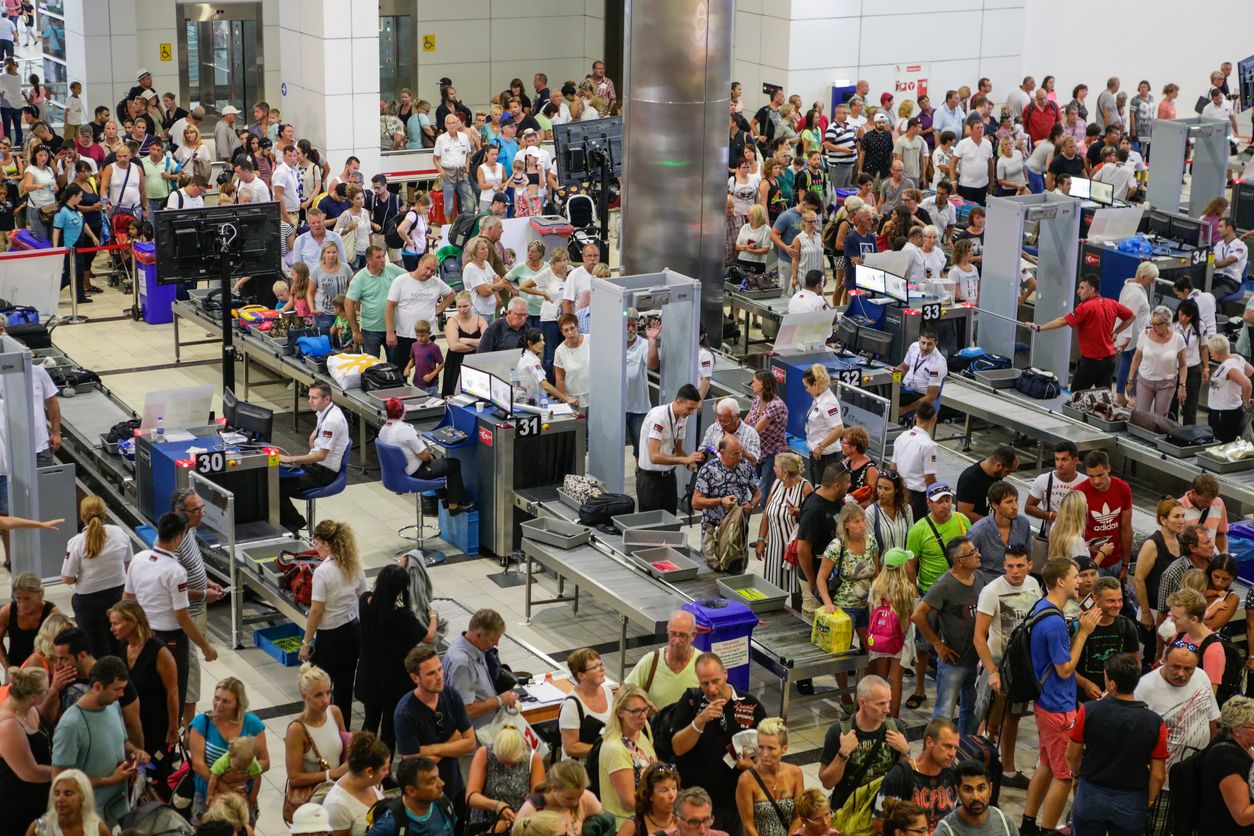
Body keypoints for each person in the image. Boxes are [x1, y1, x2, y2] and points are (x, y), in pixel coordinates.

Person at [1020, 558, 1102, 836]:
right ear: (1060, 581)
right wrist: (1084, 635)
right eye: (1076, 576)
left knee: (1045, 763)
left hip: (1045, 702)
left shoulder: (1042, 607)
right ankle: (1046, 830)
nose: (1080, 581)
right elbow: (1065, 669)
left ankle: (1028, 824)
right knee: (1064, 775)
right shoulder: (1054, 623)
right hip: (1058, 706)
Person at [1065, 653, 1169, 836]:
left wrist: (1076, 775)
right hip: (1131, 799)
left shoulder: (1088, 710)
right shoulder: (1155, 722)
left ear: (1112, 684)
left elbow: (1071, 755)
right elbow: (1158, 775)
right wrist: (1149, 801)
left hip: (1091, 793)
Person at [121, 512, 216, 707]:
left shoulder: (139, 559)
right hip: (170, 640)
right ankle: (172, 731)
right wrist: (205, 646)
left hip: (142, 634)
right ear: (179, 538)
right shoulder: (175, 571)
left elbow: (126, 600)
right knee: (172, 692)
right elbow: (182, 616)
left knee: (145, 691)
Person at [670, 653, 767, 835]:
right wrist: (699, 721)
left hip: (736, 803)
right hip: (696, 806)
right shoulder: (691, 701)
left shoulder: (751, 706)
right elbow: (678, 747)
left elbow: (770, 758)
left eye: (716, 681)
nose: (712, 689)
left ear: (725, 673)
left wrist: (752, 767)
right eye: (705, 683)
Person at [971, 543, 1041, 789]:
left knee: (1014, 717)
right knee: (989, 718)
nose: (1015, 571)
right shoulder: (991, 591)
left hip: (1022, 665)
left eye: (1020, 565)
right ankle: (978, 767)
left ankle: (1008, 770)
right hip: (998, 663)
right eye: (1010, 566)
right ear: (1003, 565)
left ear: (1029, 565)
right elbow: (979, 637)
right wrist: (991, 671)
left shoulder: (1034, 585)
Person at [51, 656, 148, 826]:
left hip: (118, 811)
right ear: (97, 687)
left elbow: (123, 742)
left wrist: (135, 752)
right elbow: (60, 781)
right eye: (117, 689)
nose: (122, 694)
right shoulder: (71, 725)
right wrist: (110, 779)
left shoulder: (113, 706)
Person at [1135, 643, 1220, 836]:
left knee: (1189, 828)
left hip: (1194, 777)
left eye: (1188, 669)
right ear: (1164, 661)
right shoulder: (1144, 689)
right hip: (1161, 782)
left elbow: (1211, 719)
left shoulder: (1201, 676)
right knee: (1156, 830)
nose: (1182, 674)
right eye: (1175, 667)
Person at [912, 537, 986, 735]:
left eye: (976, 549)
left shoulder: (979, 577)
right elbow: (917, 615)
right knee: (944, 714)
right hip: (954, 661)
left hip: (976, 659)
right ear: (960, 560)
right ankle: (936, 755)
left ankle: (965, 751)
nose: (978, 554)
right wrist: (937, 645)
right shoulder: (944, 585)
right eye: (972, 552)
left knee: (972, 710)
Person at [296, 520, 367, 728]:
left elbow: (317, 610)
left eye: (316, 543)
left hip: (330, 637)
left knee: (321, 686)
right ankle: (342, 729)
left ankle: (321, 726)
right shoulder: (354, 564)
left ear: (327, 544)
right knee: (344, 686)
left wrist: (306, 642)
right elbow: (363, 595)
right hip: (353, 631)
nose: (315, 548)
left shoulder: (323, 572)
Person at [356, 564, 430, 754]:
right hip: (394, 682)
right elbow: (428, 637)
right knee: (389, 729)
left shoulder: (365, 603)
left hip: (368, 675)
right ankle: (385, 772)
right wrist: (435, 617)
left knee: (370, 722)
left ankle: (363, 763)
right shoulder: (401, 617)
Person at [819, 675, 908, 816]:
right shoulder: (840, 731)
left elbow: (906, 777)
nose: (887, 709)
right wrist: (842, 754)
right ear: (862, 702)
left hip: (883, 811)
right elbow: (827, 783)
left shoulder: (895, 728)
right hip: (849, 812)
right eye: (880, 704)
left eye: (888, 702)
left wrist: (905, 753)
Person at [106, 601, 178, 771]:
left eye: (116, 623)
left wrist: (173, 727)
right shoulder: (123, 646)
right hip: (131, 721)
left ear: (133, 621)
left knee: (155, 771)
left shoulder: (159, 651)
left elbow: (173, 691)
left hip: (155, 722)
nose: (112, 629)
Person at [1029, 274, 1133, 391]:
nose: (1078, 291)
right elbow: (1131, 316)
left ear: (1092, 290)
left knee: (1076, 397)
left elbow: (1063, 321)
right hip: (1109, 361)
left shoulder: (1085, 307)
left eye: (1082, 288)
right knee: (1104, 399)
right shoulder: (1111, 303)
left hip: (1091, 363)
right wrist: (1116, 332)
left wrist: (1039, 327)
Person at [277, 382, 350, 532]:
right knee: (273, 477)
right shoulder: (325, 411)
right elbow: (317, 436)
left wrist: (289, 459)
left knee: (275, 488)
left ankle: (295, 524)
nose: (310, 401)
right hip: (314, 466)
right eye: (309, 397)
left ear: (327, 399)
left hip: (323, 473)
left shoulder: (332, 420)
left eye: (314, 398)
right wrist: (313, 436)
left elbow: (320, 456)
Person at [377, 398, 471, 512]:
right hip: (414, 473)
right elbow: (424, 456)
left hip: (394, 474)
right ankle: (454, 506)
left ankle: (445, 499)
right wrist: (429, 454)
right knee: (453, 464)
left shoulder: (383, 429)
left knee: (436, 463)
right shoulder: (406, 430)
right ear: (403, 412)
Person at [283, 665, 347, 824]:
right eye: (318, 695)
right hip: (314, 803)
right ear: (304, 696)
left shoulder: (335, 712)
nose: (326, 700)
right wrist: (332, 774)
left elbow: (347, 749)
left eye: (328, 692)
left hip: (338, 795)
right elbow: (295, 777)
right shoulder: (297, 730)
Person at [874, 718, 960, 833]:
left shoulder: (953, 775)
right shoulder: (900, 776)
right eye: (947, 746)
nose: (952, 754)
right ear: (929, 742)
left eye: (955, 748)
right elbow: (879, 822)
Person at [692, 436, 761, 571]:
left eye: (740, 452)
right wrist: (720, 501)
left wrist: (751, 505)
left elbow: (757, 493)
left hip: (736, 530)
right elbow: (695, 502)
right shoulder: (709, 470)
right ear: (722, 452)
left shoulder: (745, 466)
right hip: (713, 529)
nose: (740, 456)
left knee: (735, 567)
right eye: (735, 453)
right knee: (711, 569)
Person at [794, 464, 851, 621]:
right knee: (815, 618)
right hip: (814, 575)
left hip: (833, 575)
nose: (850, 485)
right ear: (836, 485)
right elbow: (802, 550)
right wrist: (813, 582)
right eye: (847, 482)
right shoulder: (814, 510)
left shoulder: (837, 499)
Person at [0, 665, 52, 836]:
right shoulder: (8, 725)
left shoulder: (28, 708)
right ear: (33, 697)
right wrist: (67, 771)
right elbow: (29, 772)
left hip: (40, 796)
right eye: (46, 690)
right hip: (17, 802)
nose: (49, 691)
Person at [443, 609, 516, 732]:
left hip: (485, 728)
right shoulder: (462, 664)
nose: (496, 644)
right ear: (478, 635)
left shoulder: (475, 646)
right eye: (492, 640)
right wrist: (499, 700)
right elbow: (465, 710)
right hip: (475, 736)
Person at [636, 384, 704, 515]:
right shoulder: (658, 417)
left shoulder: (683, 418)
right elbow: (654, 457)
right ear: (679, 402)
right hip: (649, 479)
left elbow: (678, 450)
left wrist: (691, 464)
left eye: (693, 409)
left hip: (669, 478)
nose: (691, 413)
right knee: (649, 527)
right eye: (689, 408)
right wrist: (684, 460)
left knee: (670, 523)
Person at [1073, 577, 1141, 705]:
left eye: (1119, 600)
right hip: (1080, 697)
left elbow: (1135, 664)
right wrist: (1085, 684)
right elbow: (1066, 665)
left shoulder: (1127, 626)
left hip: (1115, 697)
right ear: (1095, 599)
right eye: (1110, 601)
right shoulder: (1079, 627)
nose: (1117, 605)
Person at [754, 452, 812, 598]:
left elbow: (812, 519)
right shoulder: (777, 484)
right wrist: (761, 540)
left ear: (785, 472)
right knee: (772, 590)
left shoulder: (805, 488)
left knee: (797, 592)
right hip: (774, 550)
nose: (773, 469)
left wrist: (799, 513)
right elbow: (766, 514)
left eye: (776, 467)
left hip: (793, 552)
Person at [599, 685, 658, 826]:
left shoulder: (643, 729)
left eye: (645, 709)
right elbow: (629, 802)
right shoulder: (616, 748)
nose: (643, 716)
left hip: (648, 819)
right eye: (636, 711)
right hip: (625, 825)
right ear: (620, 712)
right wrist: (663, 799)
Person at [466, 724, 543, 830]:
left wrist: (509, 822)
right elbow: (471, 798)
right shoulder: (484, 753)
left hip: (521, 821)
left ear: (521, 753)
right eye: (502, 761)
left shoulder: (533, 758)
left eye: (512, 762)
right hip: (485, 822)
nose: (507, 766)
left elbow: (537, 803)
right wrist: (496, 805)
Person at [735, 717, 803, 836]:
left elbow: (798, 818)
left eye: (771, 748)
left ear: (784, 749)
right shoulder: (746, 780)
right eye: (761, 747)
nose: (764, 754)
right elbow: (748, 825)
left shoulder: (795, 774)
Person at [624, 610, 700, 710]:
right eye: (673, 634)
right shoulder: (651, 661)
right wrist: (645, 704)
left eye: (682, 635)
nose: (676, 641)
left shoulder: (702, 664)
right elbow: (625, 693)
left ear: (693, 635)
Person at [364, 755, 458, 836]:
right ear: (411, 791)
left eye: (438, 777)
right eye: (432, 781)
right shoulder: (390, 824)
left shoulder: (444, 804)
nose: (441, 784)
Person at [1076, 451, 1134, 581]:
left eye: (1100, 475)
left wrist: (1125, 565)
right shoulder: (1079, 493)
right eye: (1091, 476)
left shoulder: (1122, 488)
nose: (1096, 481)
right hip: (1090, 562)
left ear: (1108, 468)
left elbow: (1126, 528)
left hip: (1116, 560)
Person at [1126, 305, 1187, 419]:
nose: (1153, 327)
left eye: (1157, 324)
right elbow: (1136, 359)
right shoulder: (1145, 335)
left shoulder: (1178, 339)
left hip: (1167, 384)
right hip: (1145, 381)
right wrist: (1130, 381)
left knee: (1160, 419)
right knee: (1141, 416)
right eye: (1152, 323)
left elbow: (1183, 365)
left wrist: (1182, 385)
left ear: (1167, 323)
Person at [322, 732, 389, 836]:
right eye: (384, 769)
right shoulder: (337, 806)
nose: (387, 773)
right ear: (369, 772)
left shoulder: (375, 784)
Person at [514, 760, 603, 834]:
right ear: (554, 788)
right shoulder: (532, 809)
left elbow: (606, 823)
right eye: (569, 798)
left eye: (579, 797)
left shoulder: (586, 797)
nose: (576, 803)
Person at [558, 648, 613, 762]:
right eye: (595, 667)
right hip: (580, 773)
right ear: (581, 675)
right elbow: (571, 747)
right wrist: (606, 749)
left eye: (601, 664)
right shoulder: (571, 705)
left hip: (602, 764)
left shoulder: (607, 691)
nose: (602, 669)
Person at [0, 572, 60, 670]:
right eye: (18, 599)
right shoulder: (7, 612)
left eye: (27, 599)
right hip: (16, 667)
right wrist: (8, 669)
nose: (23, 604)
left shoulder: (52, 614)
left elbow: (62, 645)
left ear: (40, 595)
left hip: (43, 669)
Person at [746, 370, 789, 504]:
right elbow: (747, 421)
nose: (751, 384)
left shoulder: (776, 406)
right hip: (758, 452)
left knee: (764, 493)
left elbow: (755, 431)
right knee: (750, 488)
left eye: (754, 381)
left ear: (762, 384)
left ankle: (767, 520)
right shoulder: (758, 400)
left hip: (772, 454)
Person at [23, 770, 111, 836]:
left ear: (83, 796)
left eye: (68, 793)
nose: (60, 799)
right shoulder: (39, 828)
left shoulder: (98, 829)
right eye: (56, 793)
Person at [1156, 525, 1215, 616]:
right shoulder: (1172, 573)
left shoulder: (1215, 562)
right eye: (1207, 543)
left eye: (1211, 540)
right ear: (1193, 548)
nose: (1212, 545)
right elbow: (1163, 612)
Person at [1206, 335, 1253, 443]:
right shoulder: (1236, 357)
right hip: (1229, 408)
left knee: (1222, 443)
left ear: (1217, 353)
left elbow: (1247, 384)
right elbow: (1250, 371)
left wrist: (1246, 401)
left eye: (1211, 352)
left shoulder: (1229, 368)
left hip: (1224, 412)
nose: (1210, 354)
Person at [801, 364, 844, 484]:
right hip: (816, 455)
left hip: (827, 458)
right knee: (817, 489)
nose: (806, 390)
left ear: (815, 384)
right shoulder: (818, 398)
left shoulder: (828, 403)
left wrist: (820, 447)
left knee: (823, 492)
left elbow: (838, 429)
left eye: (807, 387)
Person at [954, 447, 1018, 523]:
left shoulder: (996, 475)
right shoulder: (970, 479)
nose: (1009, 474)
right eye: (1007, 471)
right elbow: (964, 513)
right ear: (998, 466)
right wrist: (993, 523)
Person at [617, 760, 680, 836]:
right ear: (650, 795)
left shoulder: (684, 821)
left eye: (674, 788)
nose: (672, 795)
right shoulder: (633, 826)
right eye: (664, 790)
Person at [894, 330, 947, 418]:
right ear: (919, 340)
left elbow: (931, 397)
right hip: (906, 388)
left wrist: (905, 409)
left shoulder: (938, 363)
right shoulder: (914, 347)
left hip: (920, 395)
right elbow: (904, 367)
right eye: (923, 343)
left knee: (890, 399)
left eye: (930, 344)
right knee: (882, 390)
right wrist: (891, 379)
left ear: (936, 343)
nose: (925, 347)